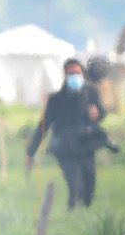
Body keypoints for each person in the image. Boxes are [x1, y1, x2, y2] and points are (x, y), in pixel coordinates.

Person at [26, 58, 115, 210]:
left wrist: (97, 114)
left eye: (78, 73)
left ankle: (85, 213)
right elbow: (44, 125)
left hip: (86, 145)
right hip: (65, 147)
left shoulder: (91, 92)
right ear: (66, 75)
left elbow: (102, 113)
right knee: (75, 186)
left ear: (83, 74)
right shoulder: (57, 99)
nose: (75, 77)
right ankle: (72, 212)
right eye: (71, 74)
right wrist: (31, 152)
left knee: (89, 185)